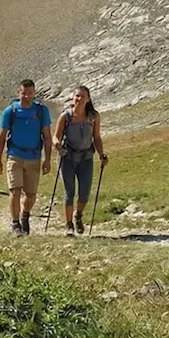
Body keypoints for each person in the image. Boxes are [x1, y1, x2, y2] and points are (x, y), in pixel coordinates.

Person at [0, 79, 52, 236]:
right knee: (15, 190)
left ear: (34, 93)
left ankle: (25, 214)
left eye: (30, 93)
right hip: (15, 155)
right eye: (23, 93)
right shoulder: (10, 111)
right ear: (18, 92)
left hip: (34, 157)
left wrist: (47, 159)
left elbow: (47, 137)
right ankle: (15, 224)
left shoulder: (41, 111)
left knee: (31, 195)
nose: (27, 96)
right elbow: (1, 136)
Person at [53, 85, 108, 235]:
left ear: (88, 99)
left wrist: (101, 154)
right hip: (67, 158)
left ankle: (78, 215)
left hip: (86, 158)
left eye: (83, 96)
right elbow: (55, 136)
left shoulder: (94, 116)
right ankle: (69, 224)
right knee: (69, 192)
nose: (79, 99)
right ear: (72, 97)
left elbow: (96, 137)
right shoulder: (65, 116)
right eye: (77, 96)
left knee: (84, 192)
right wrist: (58, 146)